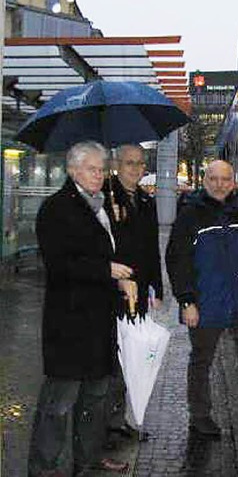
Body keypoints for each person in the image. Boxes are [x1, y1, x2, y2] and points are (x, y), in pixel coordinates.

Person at [28, 141, 136, 476]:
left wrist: (119, 279)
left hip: (99, 323)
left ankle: (86, 462)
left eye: (102, 169)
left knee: (95, 401)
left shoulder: (101, 206)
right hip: (69, 325)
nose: (99, 175)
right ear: (73, 170)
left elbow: (107, 254)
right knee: (58, 405)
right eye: (92, 169)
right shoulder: (57, 208)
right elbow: (60, 265)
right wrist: (107, 271)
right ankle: (43, 469)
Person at [165, 160, 238, 437]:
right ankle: (200, 416)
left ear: (233, 183)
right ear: (205, 181)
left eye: (225, 179)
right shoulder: (190, 215)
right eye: (214, 179)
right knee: (202, 360)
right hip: (206, 304)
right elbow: (176, 259)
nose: (220, 184)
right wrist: (186, 301)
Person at [103, 144, 163, 443]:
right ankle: (108, 424)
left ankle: (120, 417)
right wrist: (111, 216)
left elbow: (152, 248)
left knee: (132, 356)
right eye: (129, 163)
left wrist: (158, 287)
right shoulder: (104, 196)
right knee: (114, 358)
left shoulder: (145, 199)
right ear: (116, 164)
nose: (136, 169)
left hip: (138, 292)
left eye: (140, 163)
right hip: (112, 291)